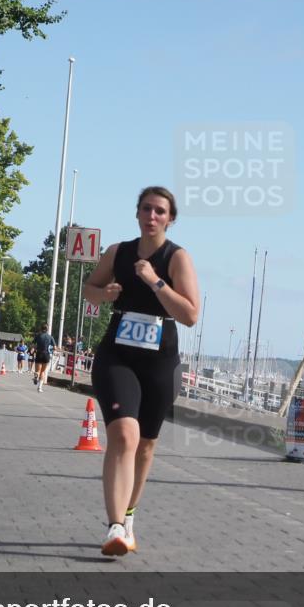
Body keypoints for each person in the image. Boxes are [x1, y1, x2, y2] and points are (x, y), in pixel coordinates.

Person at [83, 186, 199, 556]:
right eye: (146, 209)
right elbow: (89, 289)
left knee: (146, 445)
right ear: (137, 213)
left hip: (160, 359)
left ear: (170, 218)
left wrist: (155, 281)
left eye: (160, 211)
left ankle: (129, 516)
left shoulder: (176, 258)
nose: (152, 216)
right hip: (118, 355)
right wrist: (106, 295)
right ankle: (114, 526)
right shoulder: (118, 252)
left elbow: (191, 315)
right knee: (124, 436)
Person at [32, 324, 56, 392]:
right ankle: (40, 388)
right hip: (46, 355)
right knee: (43, 371)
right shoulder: (50, 337)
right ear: (47, 329)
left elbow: (33, 345)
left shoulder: (38, 336)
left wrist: (34, 349)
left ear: (41, 329)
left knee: (37, 371)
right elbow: (54, 347)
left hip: (39, 354)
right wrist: (50, 351)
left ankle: (36, 376)